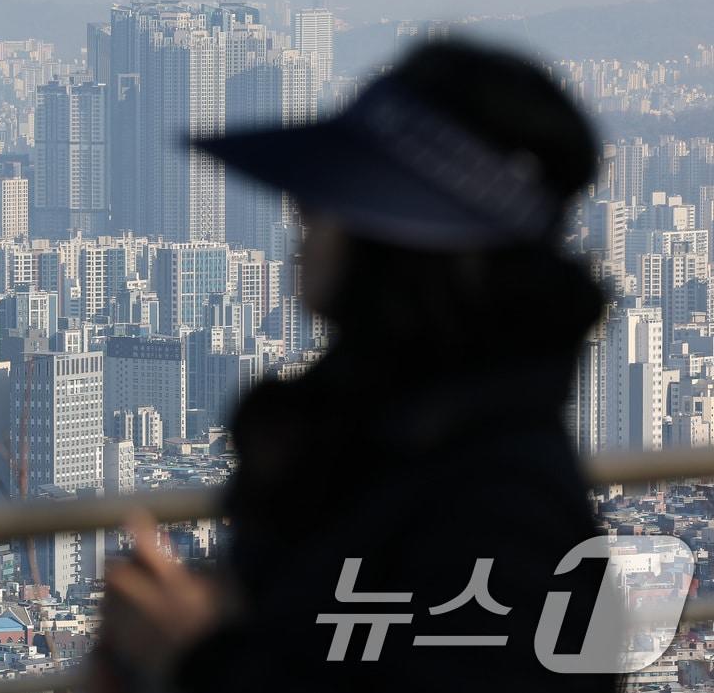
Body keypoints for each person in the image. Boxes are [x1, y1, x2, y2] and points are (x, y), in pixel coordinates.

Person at [98, 40, 619, 692]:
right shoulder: (374, 444)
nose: (301, 215)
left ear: (400, 248)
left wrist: (200, 656)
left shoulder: (502, 512)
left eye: (329, 200)